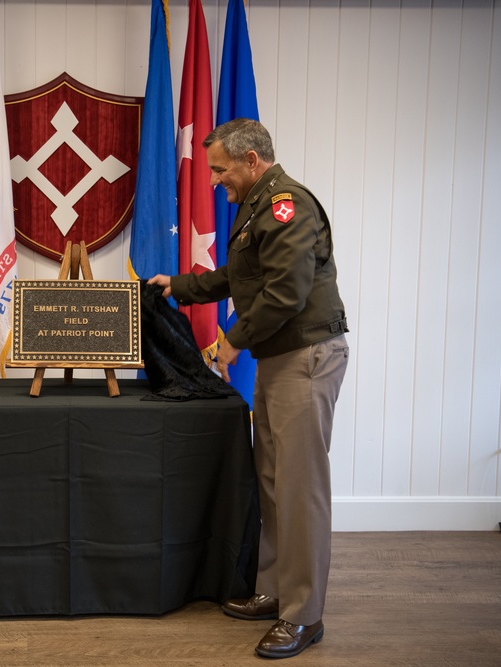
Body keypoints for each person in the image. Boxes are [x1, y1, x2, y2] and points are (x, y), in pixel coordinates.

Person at [149, 118, 348, 660]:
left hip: (303, 357)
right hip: (279, 357)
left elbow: (285, 291)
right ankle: (277, 591)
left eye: (220, 169)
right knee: (274, 480)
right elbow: (243, 277)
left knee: (301, 488)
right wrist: (181, 287)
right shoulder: (258, 206)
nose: (215, 180)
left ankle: (304, 616)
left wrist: (231, 340)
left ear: (251, 161)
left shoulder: (288, 205)